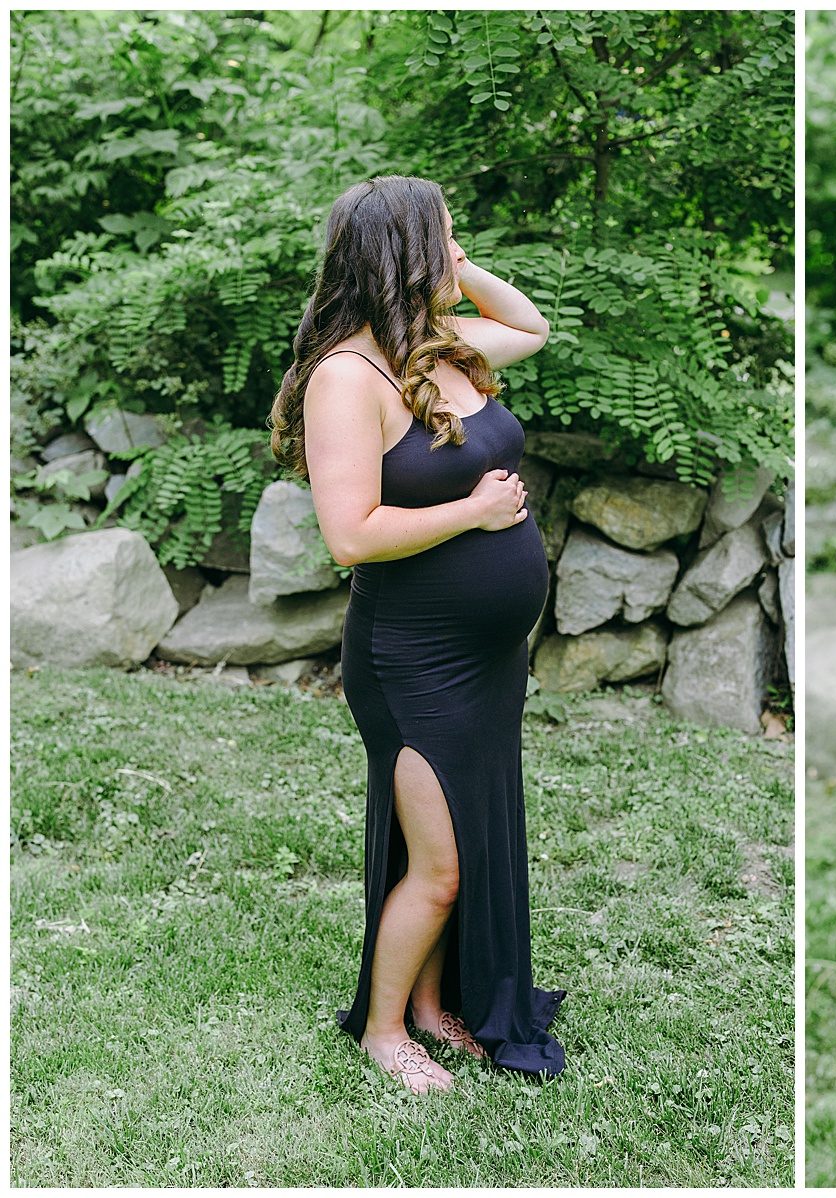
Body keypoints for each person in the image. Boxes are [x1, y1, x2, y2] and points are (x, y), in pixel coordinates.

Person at [268, 174, 564, 1094]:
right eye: (444, 235)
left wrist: (465, 270)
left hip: (485, 660)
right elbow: (350, 535)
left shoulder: (439, 347)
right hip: (413, 663)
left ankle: (436, 1009)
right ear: (403, 252)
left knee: (464, 846)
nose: (457, 247)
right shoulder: (346, 380)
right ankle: (385, 1029)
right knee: (437, 864)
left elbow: (533, 329)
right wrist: (476, 515)